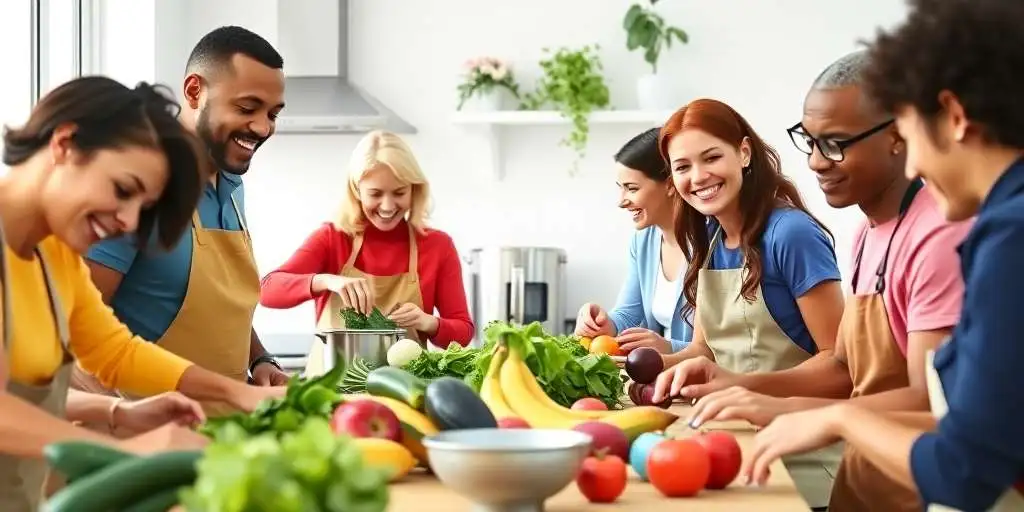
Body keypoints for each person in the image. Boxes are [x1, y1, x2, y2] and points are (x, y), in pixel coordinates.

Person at [657, 51, 973, 512]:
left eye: (836, 143)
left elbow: (929, 400)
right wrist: (738, 384)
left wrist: (785, 407)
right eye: (810, 141)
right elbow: (848, 367)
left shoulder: (937, 237)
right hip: (864, 478)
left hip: (913, 489)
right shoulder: (867, 233)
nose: (816, 162)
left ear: (898, 137)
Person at [741, 1, 1024, 510]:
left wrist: (840, 417)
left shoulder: (1006, 235)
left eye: (911, 136)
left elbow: (966, 465)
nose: (913, 161)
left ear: (955, 116)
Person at [0, 75, 282, 512]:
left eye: (142, 207)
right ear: (66, 143)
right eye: (123, 190)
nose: (129, 222)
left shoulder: (53, 255)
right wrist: (129, 450)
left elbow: (114, 352)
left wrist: (237, 393)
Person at [78, 27, 290, 407]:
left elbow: (216, 309)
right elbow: (76, 334)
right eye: (246, 108)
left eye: (272, 114)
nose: (262, 127)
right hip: (149, 440)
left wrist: (258, 359)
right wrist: (122, 424)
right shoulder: (136, 186)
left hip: (227, 432)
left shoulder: (232, 184)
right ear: (195, 91)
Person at [651, 98, 847, 509]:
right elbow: (706, 351)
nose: (698, 176)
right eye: (682, 167)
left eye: (711, 158)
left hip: (808, 466)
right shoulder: (710, 240)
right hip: (736, 448)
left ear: (743, 153)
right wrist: (649, 368)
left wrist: (739, 385)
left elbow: (841, 367)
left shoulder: (790, 234)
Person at [259, 130, 474, 374]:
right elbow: (266, 289)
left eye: (399, 192)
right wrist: (327, 281)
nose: (387, 206)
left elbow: (463, 332)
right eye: (375, 194)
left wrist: (429, 322)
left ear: (414, 189)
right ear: (356, 190)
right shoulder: (333, 237)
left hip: (406, 395)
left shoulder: (437, 246)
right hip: (331, 390)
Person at [574, 128, 693, 354]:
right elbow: (629, 315)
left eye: (632, 188)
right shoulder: (644, 241)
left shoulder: (714, 242)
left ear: (670, 184)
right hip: (661, 378)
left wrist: (668, 347)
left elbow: (724, 347)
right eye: (621, 189)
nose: (621, 202)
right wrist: (603, 322)